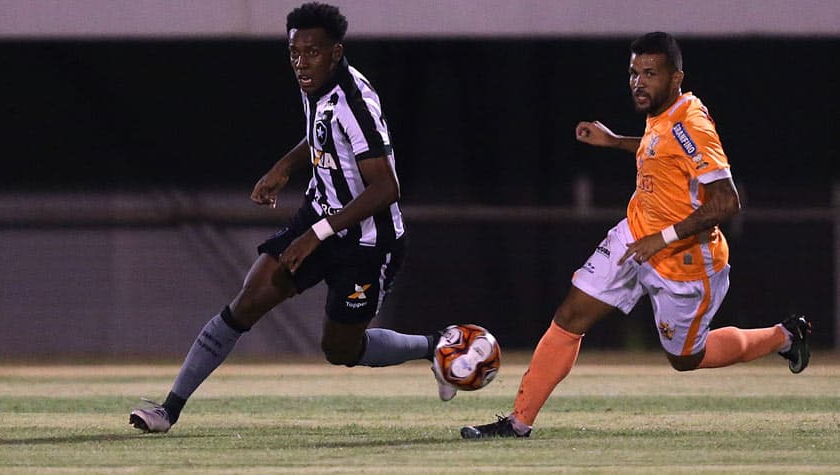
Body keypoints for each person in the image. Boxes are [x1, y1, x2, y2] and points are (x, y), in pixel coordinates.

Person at [460, 32, 811, 439]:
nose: (638, 81)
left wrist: (660, 239)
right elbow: (659, 150)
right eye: (633, 72)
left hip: (685, 261)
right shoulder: (664, 120)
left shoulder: (691, 124)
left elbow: (727, 202)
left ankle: (784, 336)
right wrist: (614, 142)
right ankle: (518, 423)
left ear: (676, 77)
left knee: (685, 358)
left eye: (650, 73)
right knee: (570, 316)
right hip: (635, 236)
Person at [130, 2, 456, 433]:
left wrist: (315, 236)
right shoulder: (315, 87)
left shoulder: (354, 103)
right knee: (247, 302)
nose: (302, 63)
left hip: (367, 243)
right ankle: (168, 409)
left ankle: (435, 347)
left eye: (313, 52)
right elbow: (320, 136)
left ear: (336, 53)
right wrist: (284, 166)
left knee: (340, 349)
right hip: (319, 218)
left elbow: (386, 188)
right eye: (294, 53)